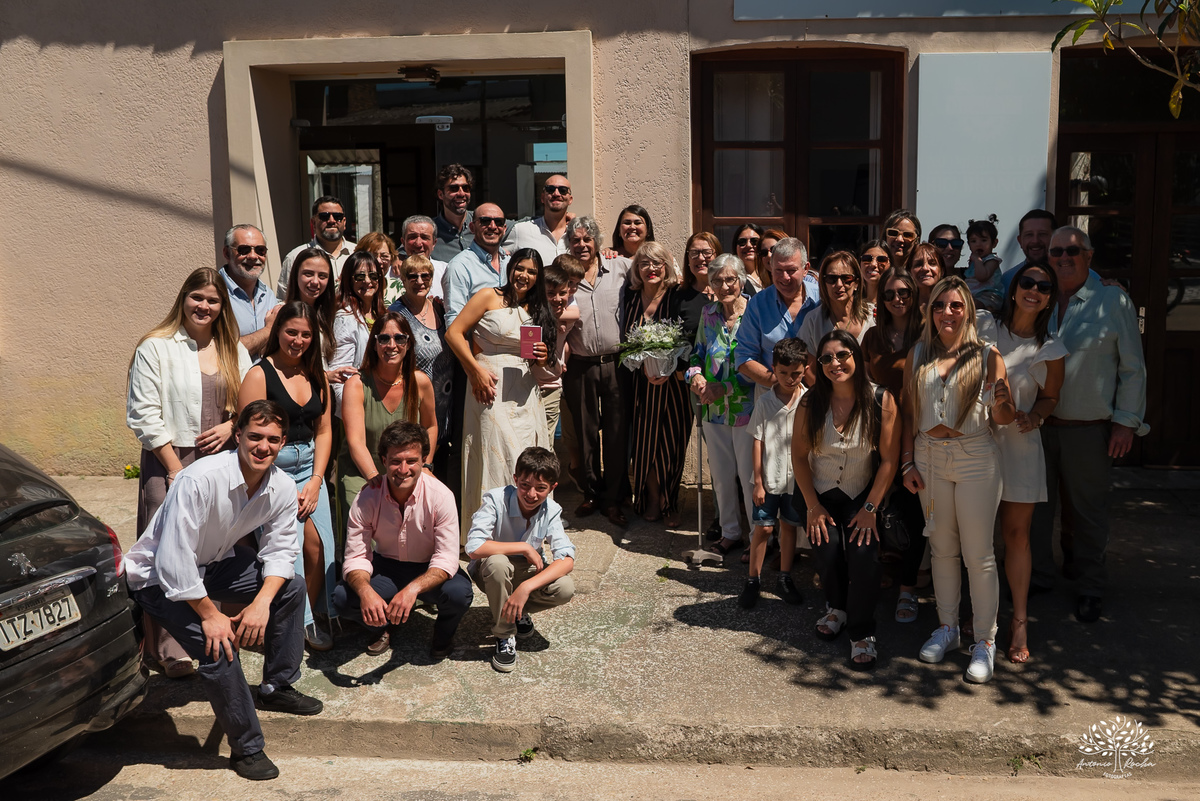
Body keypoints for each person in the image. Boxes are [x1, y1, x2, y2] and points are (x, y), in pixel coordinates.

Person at [124, 401, 322, 782]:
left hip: (210, 564)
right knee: (220, 646)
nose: (263, 447)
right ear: (238, 435)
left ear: (282, 443)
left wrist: (262, 603)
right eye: (255, 437)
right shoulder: (199, 479)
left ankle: (276, 686)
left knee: (290, 588)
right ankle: (247, 747)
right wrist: (212, 615)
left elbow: (281, 550)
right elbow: (173, 561)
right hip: (158, 580)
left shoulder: (279, 485)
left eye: (273, 439)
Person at [127, 267, 254, 678]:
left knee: (212, 548)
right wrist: (176, 470)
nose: (204, 306)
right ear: (183, 298)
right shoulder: (156, 346)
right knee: (167, 550)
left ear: (222, 307)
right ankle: (166, 647)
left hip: (218, 462)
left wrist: (233, 425)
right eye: (197, 297)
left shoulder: (232, 348)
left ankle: (210, 630)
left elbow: (251, 404)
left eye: (213, 300)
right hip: (171, 461)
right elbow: (143, 415)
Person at [902, 277, 1016, 684]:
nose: (946, 313)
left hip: (974, 458)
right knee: (942, 549)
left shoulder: (988, 355)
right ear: (929, 311)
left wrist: (1004, 404)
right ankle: (947, 628)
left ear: (968, 310)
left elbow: (1003, 419)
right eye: (938, 306)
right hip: (928, 458)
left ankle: (984, 641)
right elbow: (908, 415)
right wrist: (905, 463)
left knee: (978, 554)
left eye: (954, 305)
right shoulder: (918, 354)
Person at [1031, 226, 1148, 623]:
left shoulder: (1112, 300)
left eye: (1072, 250)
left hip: (1089, 429)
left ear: (1089, 256)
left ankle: (1091, 587)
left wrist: (1126, 423)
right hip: (1038, 427)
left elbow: (1133, 368)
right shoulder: (1038, 298)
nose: (1064, 257)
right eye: (1056, 251)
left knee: (1088, 514)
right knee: (1036, 509)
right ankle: (1039, 578)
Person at [794, 332, 900, 670]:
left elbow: (888, 461)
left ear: (856, 356)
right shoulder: (810, 403)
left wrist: (870, 509)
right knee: (826, 549)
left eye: (842, 355)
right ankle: (837, 608)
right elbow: (798, 457)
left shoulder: (881, 400)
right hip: (820, 495)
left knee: (864, 555)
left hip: (861, 495)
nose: (835, 364)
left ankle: (862, 630)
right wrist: (813, 506)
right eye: (826, 359)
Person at [237, 303, 337, 652]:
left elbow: (323, 431)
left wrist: (316, 480)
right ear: (278, 330)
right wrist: (275, 482)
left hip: (310, 466)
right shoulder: (258, 375)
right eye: (291, 332)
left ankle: (312, 613)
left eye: (306, 334)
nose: (298, 340)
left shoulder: (316, 374)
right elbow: (251, 438)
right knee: (289, 550)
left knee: (321, 546)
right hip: (273, 470)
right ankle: (299, 622)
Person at [334, 421, 472, 658]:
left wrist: (412, 589)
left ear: (423, 460)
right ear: (383, 460)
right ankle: (382, 624)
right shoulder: (366, 498)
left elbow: (447, 558)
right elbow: (356, 556)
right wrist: (366, 591)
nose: (403, 469)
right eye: (396, 461)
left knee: (459, 593)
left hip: (429, 567)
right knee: (342, 598)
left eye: (412, 461)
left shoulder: (441, 496)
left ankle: (443, 635)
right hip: (387, 566)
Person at [446, 248, 553, 540]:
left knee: (525, 456)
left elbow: (543, 360)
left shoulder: (537, 307)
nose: (524, 276)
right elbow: (454, 333)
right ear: (510, 268)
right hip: (488, 385)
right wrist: (474, 371)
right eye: (520, 268)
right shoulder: (487, 296)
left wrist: (543, 357)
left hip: (524, 389)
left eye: (532, 272)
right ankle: (488, 534)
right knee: (496, 454)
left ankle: (525, 531)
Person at [993, 263, 1067, 662]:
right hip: (978, 445)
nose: (1033, 290)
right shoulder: (987, 327)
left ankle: (1019, 620)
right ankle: (978, 614)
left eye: (1043, 286)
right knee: (979, 538)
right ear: (1014, 286)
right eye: (1027, 282)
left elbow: (1051, 396)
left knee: (1016, 536)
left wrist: (1037, 415)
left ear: (1050, 298)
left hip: (1020, 447)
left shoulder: (1051, 348)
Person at [465, 447, 576, 673]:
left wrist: (525, 588)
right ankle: (504, 635)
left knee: (564, 587)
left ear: (552, 488)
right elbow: (474, 547)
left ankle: (518, 608)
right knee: (498, 562)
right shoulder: (496, 499)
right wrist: (524, 547)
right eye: (524, 485)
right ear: (515, 480)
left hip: (525, 574)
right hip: (491, 570)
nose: (531, 494)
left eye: (541, 488)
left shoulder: (552, 510)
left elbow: (566, 558)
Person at [860, 268, 927, 624]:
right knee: (880, 509)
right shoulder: (872, 338)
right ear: (880, 299)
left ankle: (908, 588)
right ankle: (879, 575)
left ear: (914, 295)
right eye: (889, 294)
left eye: (904, 292)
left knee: (915, 515)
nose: (897, 299)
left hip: (921, 435)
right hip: (881, 434)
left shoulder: (928, 335)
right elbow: (866, 384)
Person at [562, 216, 633, 528]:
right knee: (585, 432)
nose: (582, 245)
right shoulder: (563, 271)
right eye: (576, 240)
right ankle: (591, 492)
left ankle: (614, 499)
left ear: (597, 242)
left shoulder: (620, 267)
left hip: (617, 364)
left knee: (617, 434)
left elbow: (657, 275)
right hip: (580, 365)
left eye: (587, 239)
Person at [338, 311, 438, 529]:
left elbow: (430, 426)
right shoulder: (356, 385)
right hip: (363, 473)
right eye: (383, 338)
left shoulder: (420, 382)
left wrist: (427, 464)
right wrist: (377, 481)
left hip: (406, 471)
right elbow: (355, 442)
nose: (391, 345)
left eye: (399, 338)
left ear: (409, 343)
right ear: (374, 344)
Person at [686, 254, 756, 555]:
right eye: (718, 280)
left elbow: (758, 366)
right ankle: (730, 533)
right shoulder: (709, 314)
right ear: (711, 284)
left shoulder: (754, 312)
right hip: (713, 411)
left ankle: (758, 538)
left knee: (752, 479)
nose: (725, 285)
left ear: (741, 279)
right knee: (722, 477)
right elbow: (697, 354)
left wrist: (722, 387)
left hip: (746, 410)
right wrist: (697, 376)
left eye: (731, 279)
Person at [623, 241, 693, 526]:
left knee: (672, 443)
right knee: (645, 442)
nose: (651, 269)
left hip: (674, 385)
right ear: (637, 269)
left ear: (667, 266)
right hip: (641, 385)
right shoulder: (629, 297)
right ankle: (652, 498)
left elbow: (687, 335)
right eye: (644, 263)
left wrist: (670, 365)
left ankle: (669, 500)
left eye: (657, 263)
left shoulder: (678, 295)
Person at [740, 338, 807, 607]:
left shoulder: (808, 399)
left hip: (796, 480)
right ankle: (752, 580)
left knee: (789, 527)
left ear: (805, 369)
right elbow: (757, 440)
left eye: (796, 374)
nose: (789, 379)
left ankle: (784, 577)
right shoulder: (766, 402)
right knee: (765, 528)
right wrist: (757, 481)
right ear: (773, 369)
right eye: (783, 373)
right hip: (769, 478)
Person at [390, 254, 454, 475]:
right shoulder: (396, 315)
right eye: (412, 276)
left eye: (425, 275)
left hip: (445, 409)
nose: (419, 281)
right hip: (413, 408)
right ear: (402, 280)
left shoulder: (440, 308)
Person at [736, 238, 820, 400]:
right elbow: (744, 358)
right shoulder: (758, 304)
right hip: (773, 400)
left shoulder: (822, 299)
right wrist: (782, 383)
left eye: (791, 270)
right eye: (778, 270)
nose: (785, 277)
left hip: (818, 399)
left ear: (805, 268)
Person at [532, 256, 585, 442]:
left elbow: (576, 314)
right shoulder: (533, 308)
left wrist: (556, 318)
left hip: (553, 378)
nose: (571, 289)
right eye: (569, 283)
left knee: (546, 440)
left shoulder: (569, 302)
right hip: (531, 379)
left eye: (574, 285)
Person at [330, 251, 386, 412]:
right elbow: (340, 377)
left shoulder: (382, 315)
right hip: (361, 409)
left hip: (382, 402)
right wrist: (357, 413)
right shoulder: (345, 318)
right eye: (360, 277)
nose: (368, 281)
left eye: (374, 276)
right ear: (349, 280)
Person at [444, 201, 511, 326]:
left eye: (499, 222)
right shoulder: (459, 266)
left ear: (504, 228)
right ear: (472, 227)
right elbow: (454, 320)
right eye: (485, 221)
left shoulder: (510, 263)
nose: (492, 226)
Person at [277, 195, 356, 299]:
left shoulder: (357, 253)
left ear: (344, 222)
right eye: (324, 216)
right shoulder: (295, 257)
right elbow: (283, 300)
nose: (332, 221)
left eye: (337, 216)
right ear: (313, 223)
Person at [798, 250, 875, 355]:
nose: (839, 284)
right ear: (824, 283)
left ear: (856, 283)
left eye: (846, 278)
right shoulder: (813, 321)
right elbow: (808, 366)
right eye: (831, 279)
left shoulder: (873, 317)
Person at [219, 224, 280, 355]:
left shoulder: (268, 294)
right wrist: (269, 330)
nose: (253, 256)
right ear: (226, 253)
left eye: (260, 250)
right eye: (244, 250)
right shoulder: (213, 292)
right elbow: (225, 351)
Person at [283, 246, 338, 366]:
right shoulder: (281, 313)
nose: (315, 281)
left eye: (322, 276)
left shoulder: (331, 315)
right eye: (308, 274)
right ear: (295, 274)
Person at [504, 174, 573, 265]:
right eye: (550, 189)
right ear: (542, 198)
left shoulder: (578, 235)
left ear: (570, 200)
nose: (556, 194)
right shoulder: (521, 230)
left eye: (563, 190)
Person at [394, 215, 449, 303]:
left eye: (424, 237)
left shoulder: (446, 271)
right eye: (412, 237)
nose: (418, 243)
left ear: (434, 243)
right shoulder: (392, 273)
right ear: (403, 242)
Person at [1000, 209, 1058, 292]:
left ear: (1055, 238)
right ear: (1020, 241)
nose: (1035, 241)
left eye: (1042, 234)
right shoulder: (1008, 280)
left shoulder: (1066, 277)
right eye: (1029, 235)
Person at [431, 164, 477, 262]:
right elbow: (405, 250)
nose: (461, 193)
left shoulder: (483, 221)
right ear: (440, 194)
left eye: (466, 188)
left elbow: (514, 227)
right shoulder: (430, 230)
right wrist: (399, 258)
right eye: (453, 189)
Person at [964, 215, 1004, 312]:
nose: (978, 244)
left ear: (994, 243)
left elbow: (982, 277)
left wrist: (977, 260)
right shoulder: (974, 261)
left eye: (984, 240)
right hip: (974, 295)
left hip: (988, 296)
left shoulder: (992, 260)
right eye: (974, 241)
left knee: (971, 305)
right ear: (969, 245)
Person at [355, 232, 401, 307]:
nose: (379, 261)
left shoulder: (400, 288)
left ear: (391, 259)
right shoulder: (348, 286)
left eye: (384, 256)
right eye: (373, 256)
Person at [856, 238, 892, 308]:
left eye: (882, 259)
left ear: (891, 264)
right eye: (867, 259)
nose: (873, 264)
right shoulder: (850, 303)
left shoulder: (895, 303)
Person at [908, 241, 944, 308]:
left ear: (942, 271)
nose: (925, 268)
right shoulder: (903, 307)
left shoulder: (951, 305)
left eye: (932, 263)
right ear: (909, 272)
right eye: (918, 264)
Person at [732, 223, 767, 290]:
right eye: (742, 242)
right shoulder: (730, 275)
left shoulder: (772, 273)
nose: (748, 245)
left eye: (755, 241)